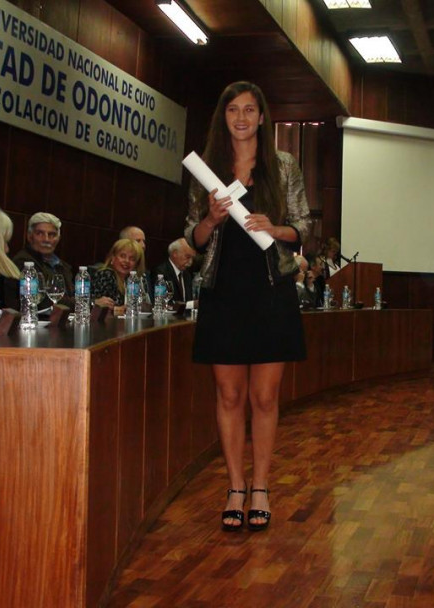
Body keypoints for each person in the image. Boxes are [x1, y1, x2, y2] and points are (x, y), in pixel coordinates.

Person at [183, 81, 310, 532]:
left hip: (271, 289)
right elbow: (193, 242)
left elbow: (303, 228)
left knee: (264, 396)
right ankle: (235, 487)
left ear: (261, 118)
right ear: (224, 117)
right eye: (233, 109)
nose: (241, 117)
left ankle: (261, 487)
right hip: (223, 292)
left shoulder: (283, 166)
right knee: (230, 395)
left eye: (250, 109)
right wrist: (210, 220)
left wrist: (276, 229)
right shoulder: (207, 170)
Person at [11, 213, 75, 309]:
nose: (46, 239)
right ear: (29, 236)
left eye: (52, 234)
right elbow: (43, 301)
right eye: (40, 233)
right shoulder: (24, 262)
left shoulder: (63, 266)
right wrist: (83, 303)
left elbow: (73, 295)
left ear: (58, 239)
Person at [91, 238, 145, 316]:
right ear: (112, 257)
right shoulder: (106, 275)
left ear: (136, 264)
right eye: (122, 256)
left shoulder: (135, 279)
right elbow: (104, 307)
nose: (127, 261)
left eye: (132, 259)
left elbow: (143, 304)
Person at [152, 238, 194, 305]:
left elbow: (188, 300)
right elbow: (163, 302)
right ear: (175, 253)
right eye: (187, 257)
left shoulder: (187, 275)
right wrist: (191, 304)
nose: (190, 262)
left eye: (192, 258)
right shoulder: (161, 272)